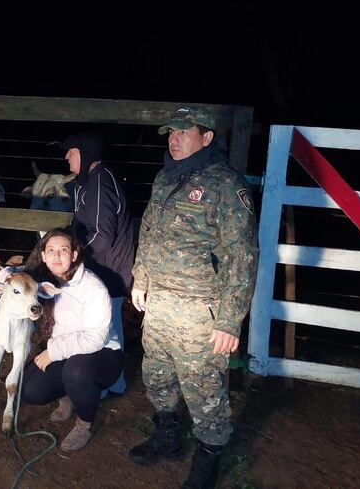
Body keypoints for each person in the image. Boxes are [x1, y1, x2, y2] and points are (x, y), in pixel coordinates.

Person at [128, 106, 258, 488]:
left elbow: (243, 255)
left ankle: (208, 455)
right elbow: (148, 232)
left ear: (207, 137)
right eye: (172, 131)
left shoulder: (226, 185)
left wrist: (230, 320)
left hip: (201, 309)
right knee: (158, 377)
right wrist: (141, 279)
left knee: (204, 388)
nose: (175, 138)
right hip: (160, 305)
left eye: (185, 131)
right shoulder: (165, 178)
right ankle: (168, 437)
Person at [19, 228, 123, 452]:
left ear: (74, 255)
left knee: (76, 371)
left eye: (63, 250)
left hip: (102, 355)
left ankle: (84, 423)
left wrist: (53, 352)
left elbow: (95, 339)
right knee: (29, 389)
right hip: (65, 351)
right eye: (51, 250)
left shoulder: (93, 287)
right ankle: (67, 396)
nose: (57, 256)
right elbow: (13, 276)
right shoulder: (43, 282)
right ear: (43, 255)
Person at [60, 132, 134, 396]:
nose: (66, 156)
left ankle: (106, 385)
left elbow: (101, 235)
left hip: (108, 271)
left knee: (106, 329)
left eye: (71, 151)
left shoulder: (101, 181)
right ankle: (114, 383)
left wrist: (73, 254)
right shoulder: (90, 182)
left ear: (85, 153)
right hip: (101, 268)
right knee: (107, 326)